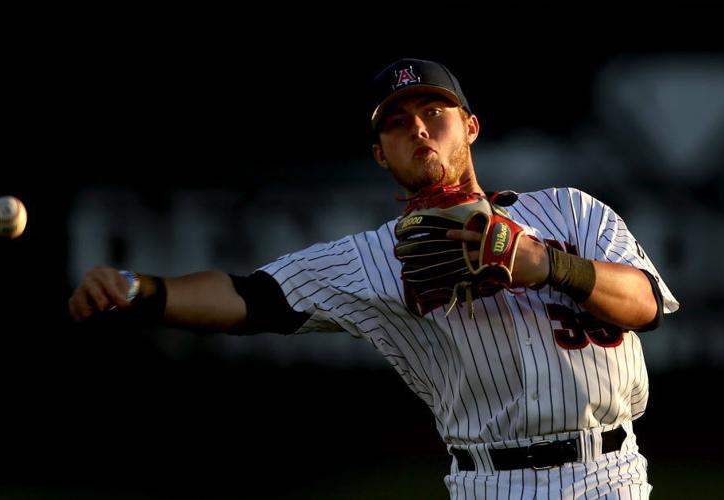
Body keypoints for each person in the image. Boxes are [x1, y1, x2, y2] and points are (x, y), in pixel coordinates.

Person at [69, 58, 678, 499]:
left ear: (469, 127)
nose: (418, 128)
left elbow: (646, 303)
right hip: (491, 482)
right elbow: (248, 298)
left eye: (434, 111)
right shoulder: (368, 261)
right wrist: (143, 291)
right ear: (380, 154)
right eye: (397, 122)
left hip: (611, 473)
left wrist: (546, 265)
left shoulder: (567, 210)